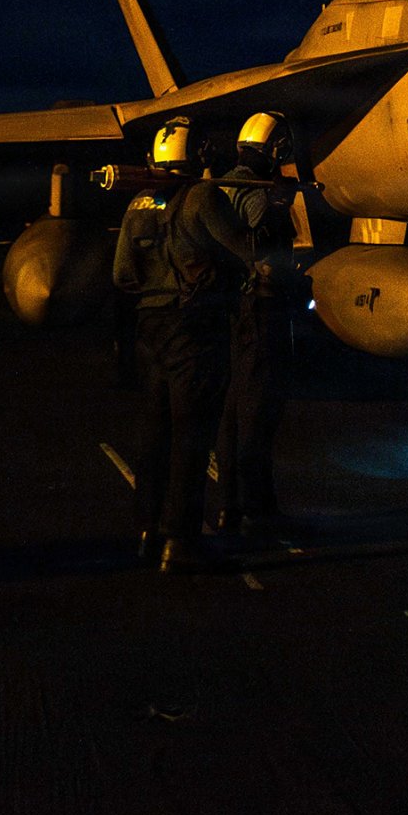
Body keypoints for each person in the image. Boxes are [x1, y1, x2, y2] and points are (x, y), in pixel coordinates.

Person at [113, 117, 255, 573]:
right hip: (194, 328)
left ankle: (145, 532)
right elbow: (245, 251)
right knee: (192, 438)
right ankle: (180, 541)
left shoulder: (139, 200)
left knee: (154, 434)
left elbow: (121, 273)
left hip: (148, 327)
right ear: (199, 156)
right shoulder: (202, 197)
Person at [215, 112, 298, 537]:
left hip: (229, 309)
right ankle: (257, 509)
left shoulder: (223, 184)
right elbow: (265, 252)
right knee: (258, 412)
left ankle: (230, 504)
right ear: (276, 149)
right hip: (260, 309)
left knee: (232, 411)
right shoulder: (260, 195)